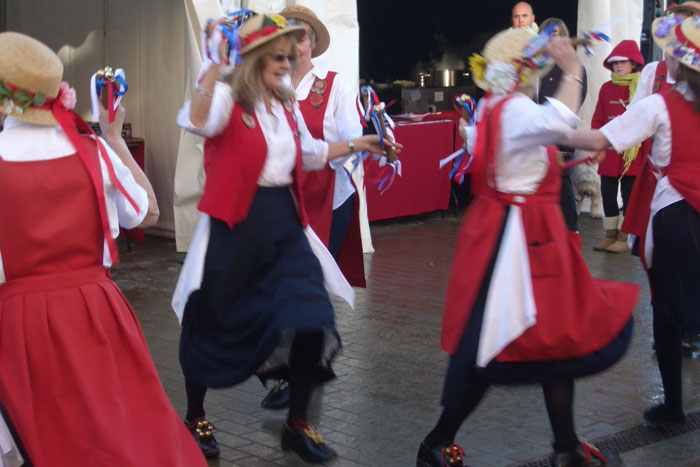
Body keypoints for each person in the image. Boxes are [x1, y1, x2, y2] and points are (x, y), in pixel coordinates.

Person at [172, 13, 396, 463]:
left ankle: (297, 423)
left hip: (283, 224)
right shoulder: (227, 98)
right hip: (236, 226)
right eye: (279, 55)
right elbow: (195, 120)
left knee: (312, 313)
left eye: (291, 54)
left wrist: (360, 144)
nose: (288, 61)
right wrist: (214, 66)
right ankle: (195, 415)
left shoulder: (286, 104)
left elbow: (309, 154)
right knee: (211, 322)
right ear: (255, 57)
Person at [417, 28, 638, 467]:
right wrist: (574, 70)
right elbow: (555, 124)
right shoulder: (516, 109)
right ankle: (438, 441)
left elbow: (537, 147)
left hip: (516, 235)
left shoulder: (494, 107)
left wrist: (577, 153)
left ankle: (565, 446)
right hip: (521, 240)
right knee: (500, 345)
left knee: (551, 340)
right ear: (528, 72)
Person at [0, 32, 205, 466]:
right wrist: (112, 136)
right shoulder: (90, 149)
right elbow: (147, 212)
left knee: (37, 440)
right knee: (115, 432)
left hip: (19, 322)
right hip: (95, 312)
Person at [562, 14, 700, 428]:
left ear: (675, 63)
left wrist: (549, 134)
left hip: (677, 217)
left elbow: (603, 138)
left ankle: (673, 408)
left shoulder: (662, 104)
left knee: (669, 312)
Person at [257, 5, 368, 411]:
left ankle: (298, 375)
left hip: (327, 198)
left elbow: (354, 139)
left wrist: (336, 155)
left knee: (307, 288)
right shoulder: (270, 84)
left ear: (312, 44)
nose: (296, 44)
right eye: (289, 36)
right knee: (286, 288)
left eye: (302, 36)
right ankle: (302, 368)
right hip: (285, 201)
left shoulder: (334, 86)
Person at [590, 40, 645, 253]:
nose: (618, 67)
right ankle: (610, 235)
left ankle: (624, 237)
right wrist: (596, 143)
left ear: (633, 64)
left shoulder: (642, 87)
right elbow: (597, 119)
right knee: (608, 194)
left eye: (622, 62)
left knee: (630, 197)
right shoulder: (606, 88)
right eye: (614, 63)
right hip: (609, 153)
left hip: (633, 154)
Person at [537, 18, 589, 233]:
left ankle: (571, 229)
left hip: (561, 138)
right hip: (538, 136)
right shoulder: (537, 69)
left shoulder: (573, 67)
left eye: (557, 33)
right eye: (549, 34)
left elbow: (574, 104)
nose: (553, 38)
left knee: (563, 183)